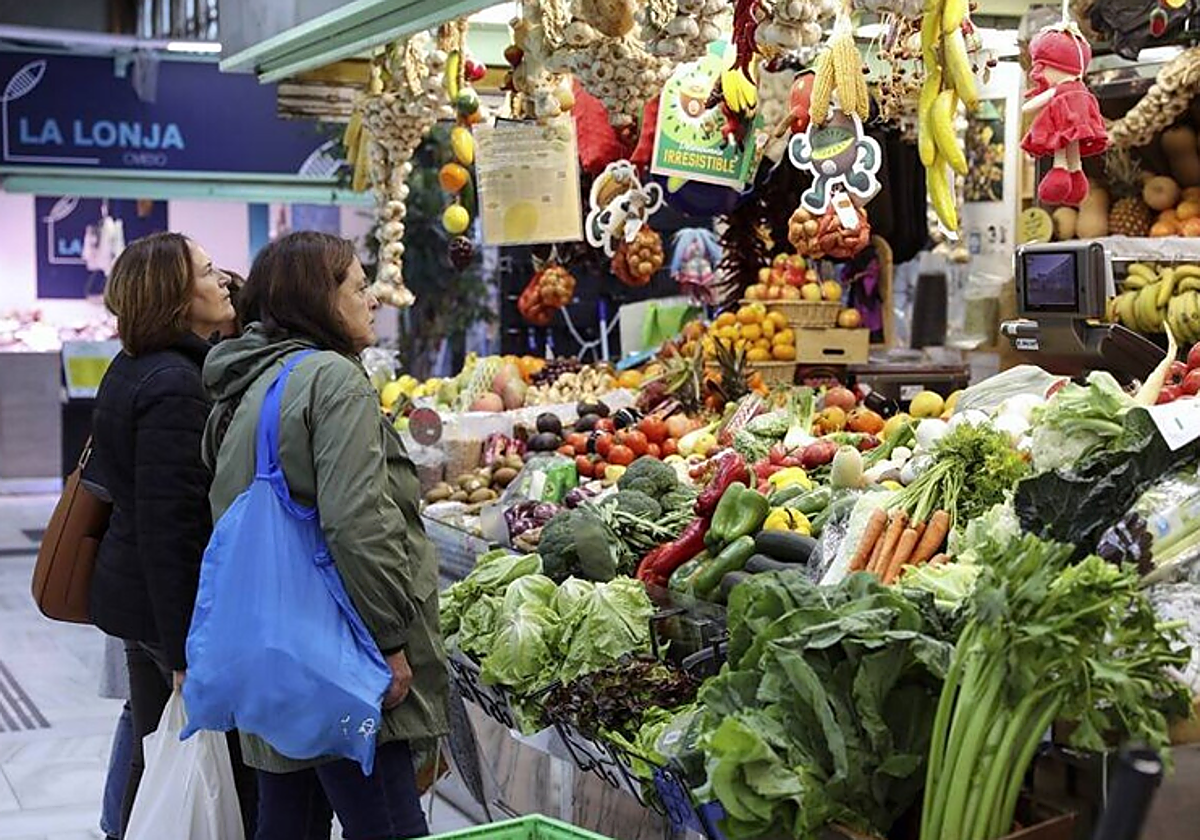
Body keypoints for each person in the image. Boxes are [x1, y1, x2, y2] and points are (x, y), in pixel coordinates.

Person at [202, 231, 448, 840]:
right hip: (340, 652)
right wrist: (389, 641)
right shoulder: (333, 380)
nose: (373, 300)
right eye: (359, 288)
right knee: (388, 824)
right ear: (319, 298)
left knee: (290, 821)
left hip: (275, 648)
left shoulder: (251, 384)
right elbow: (356, 523)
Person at [88, 232, 256, 835]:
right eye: (209, 273)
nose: (223, 281)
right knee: (191, 758)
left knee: (153, 742)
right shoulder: (176, 384)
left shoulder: (135, 365)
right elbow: (172, 527)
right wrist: (186, 649)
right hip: (167, 611)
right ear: (177, 298)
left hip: (139, 600)